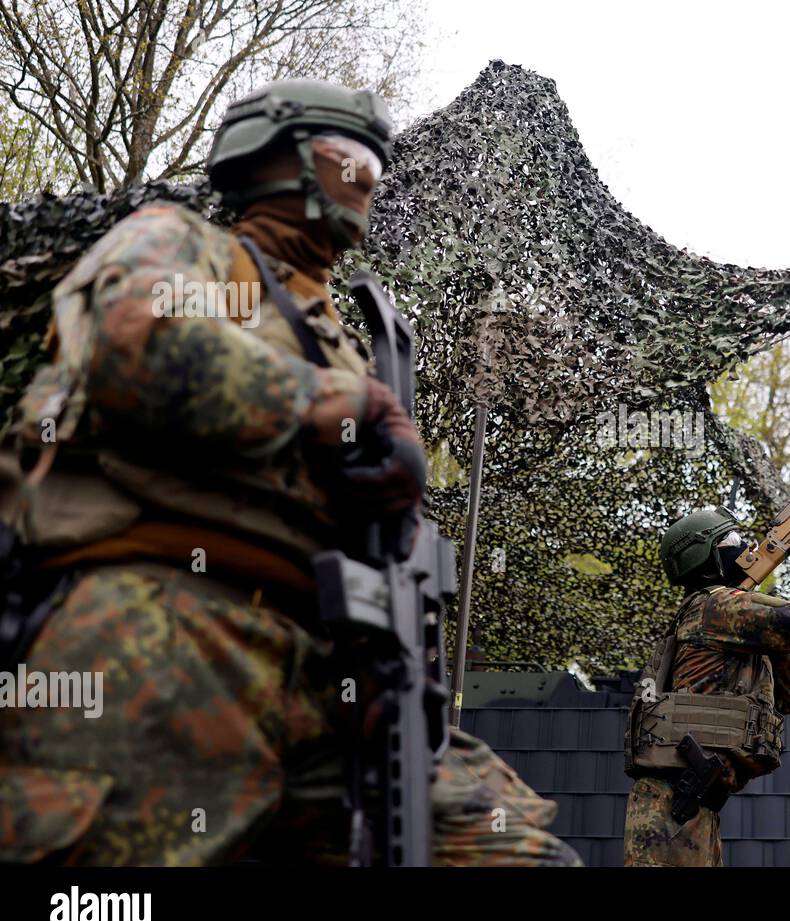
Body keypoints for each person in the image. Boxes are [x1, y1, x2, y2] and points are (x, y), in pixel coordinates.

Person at [0, 79, 579, 867]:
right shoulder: (184, 244)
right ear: (274, 162)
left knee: (507, 848)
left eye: (378, 166)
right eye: (351, 160)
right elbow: (137, 347)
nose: (370, 182)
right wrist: (342, 405)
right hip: (169, 631)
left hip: (336, 667)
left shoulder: (346, 335)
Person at [623, 504, 790, 866]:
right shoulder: (715, 607)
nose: (745, 546)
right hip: (672, 806)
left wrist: (776, 637)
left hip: (695, 804)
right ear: (708, 556)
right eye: (731, 539)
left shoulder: (729, 619)